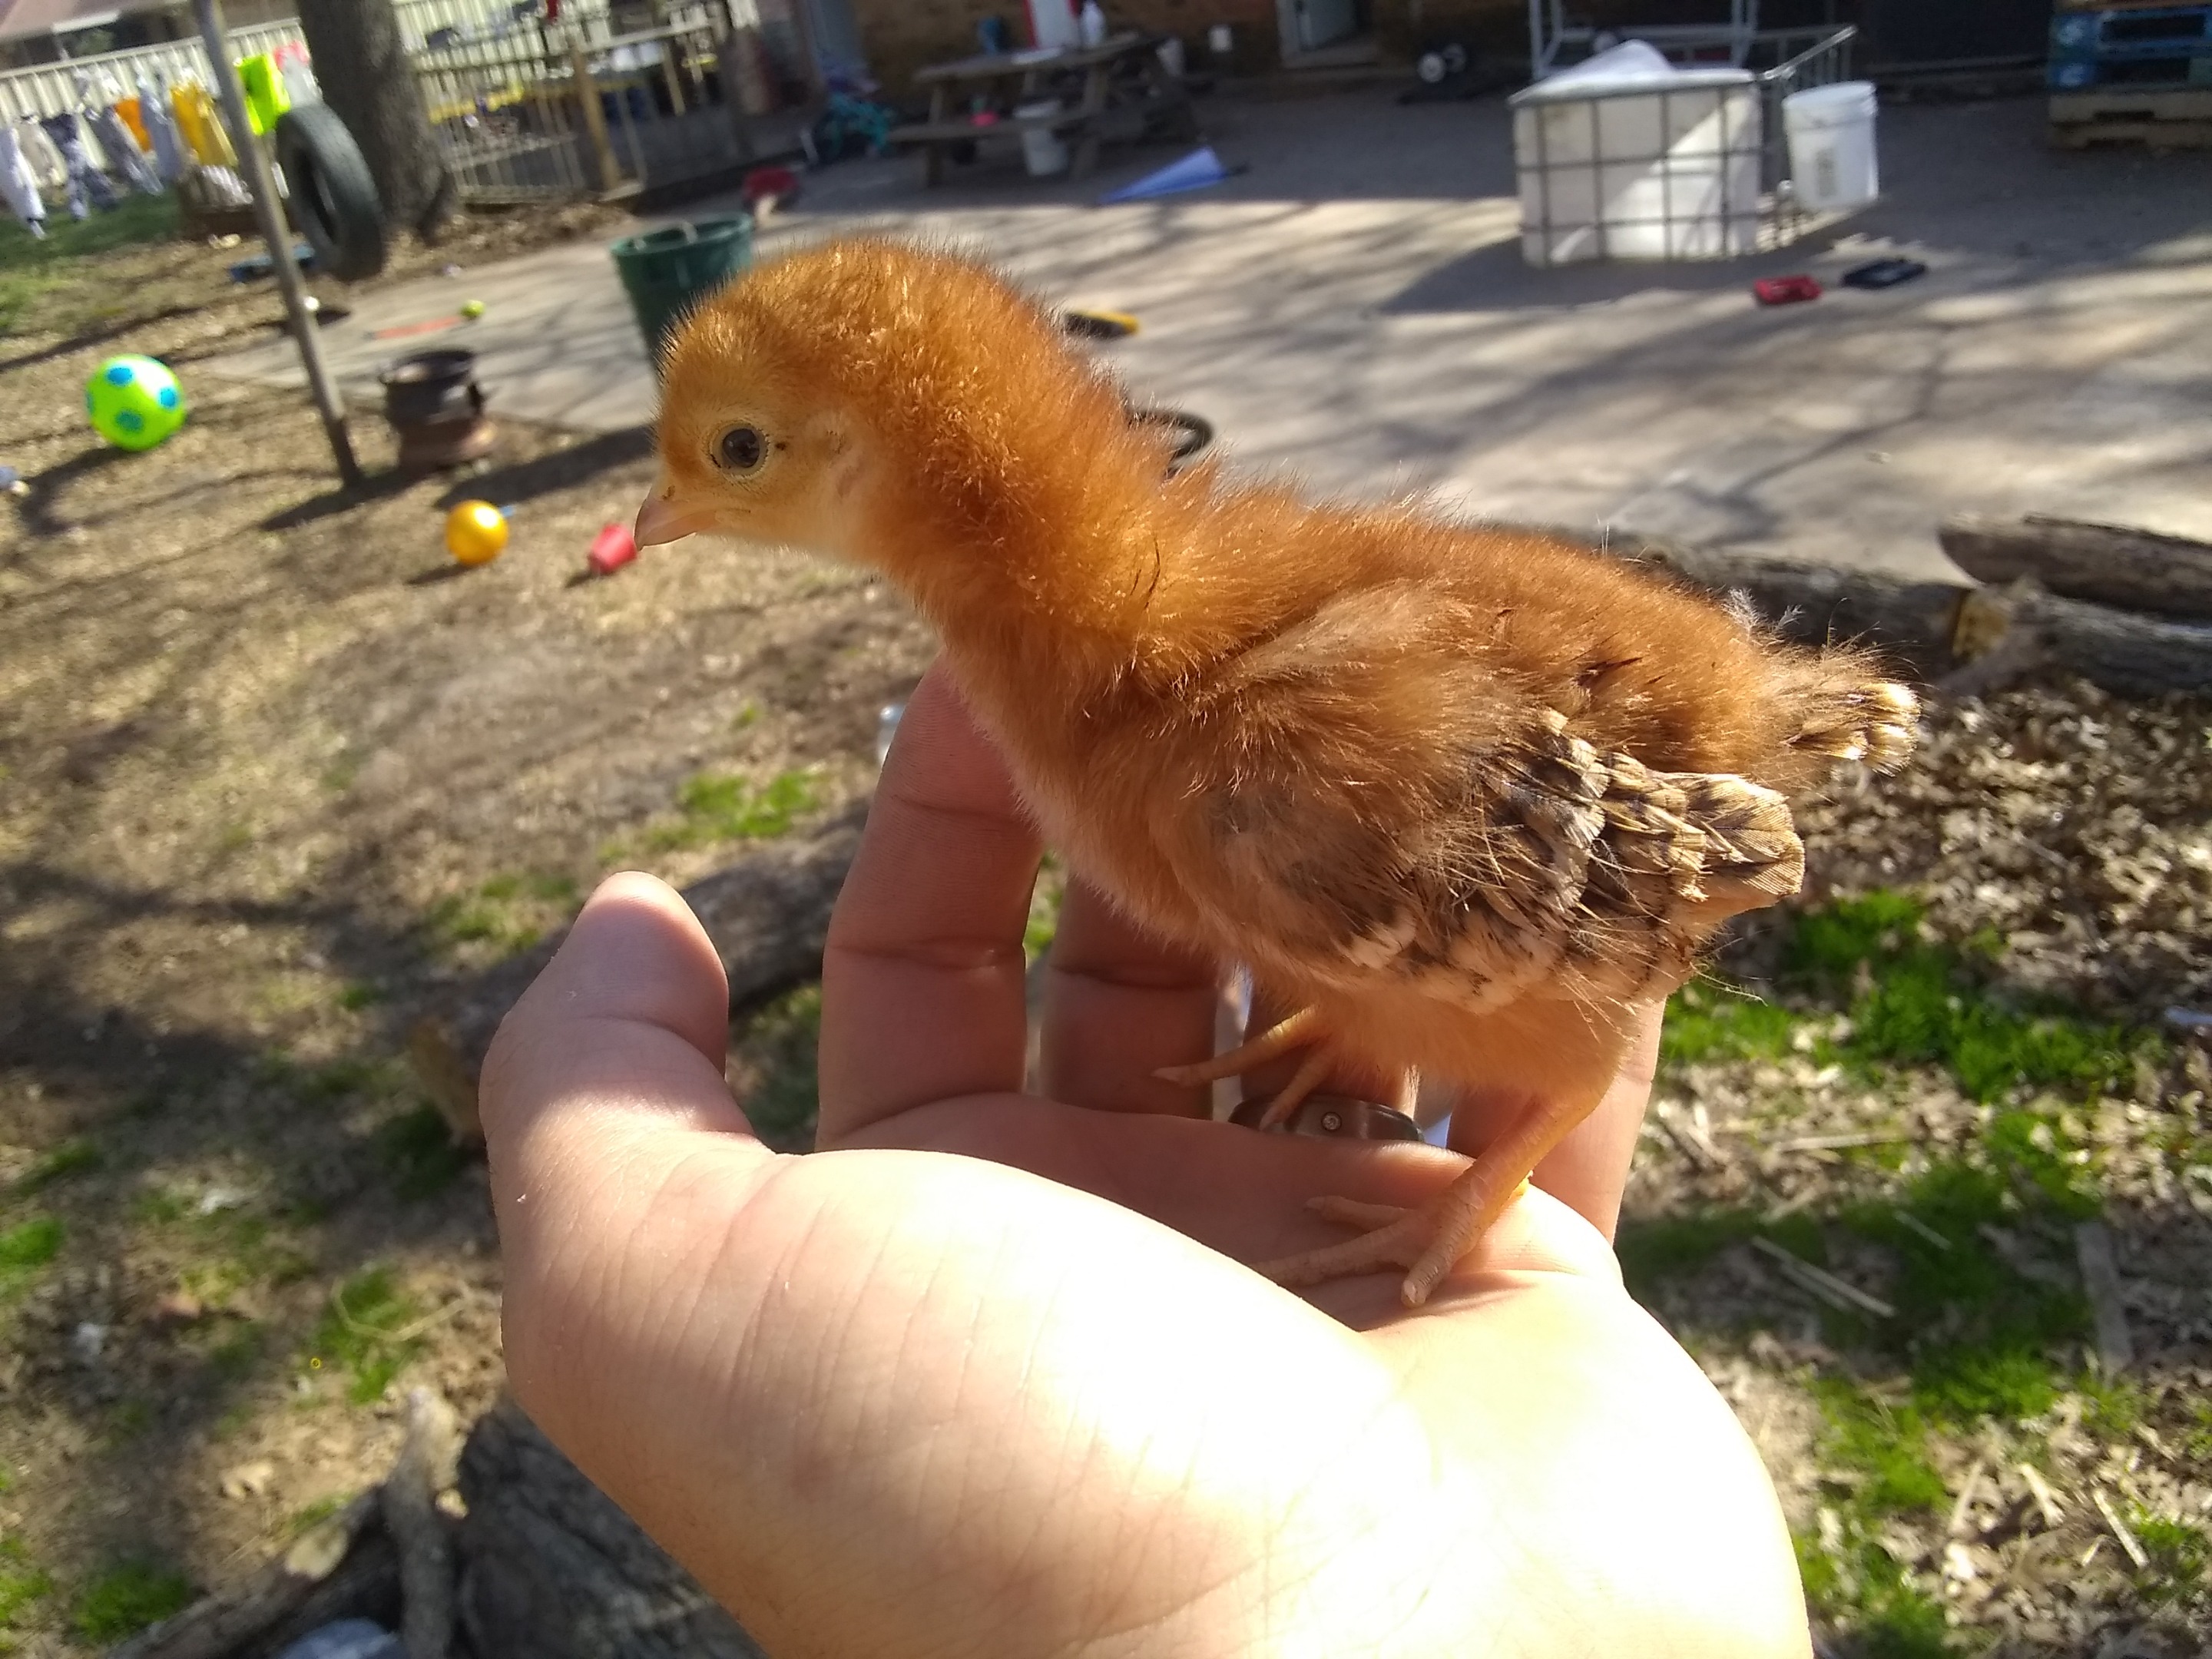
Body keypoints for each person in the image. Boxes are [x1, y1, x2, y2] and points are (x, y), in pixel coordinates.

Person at [482, 665, 1813, 1658]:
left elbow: (1595, 1012)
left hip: (1562, 858)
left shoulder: (1297, 760)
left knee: (1451, 957)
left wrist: (1464, 1207)